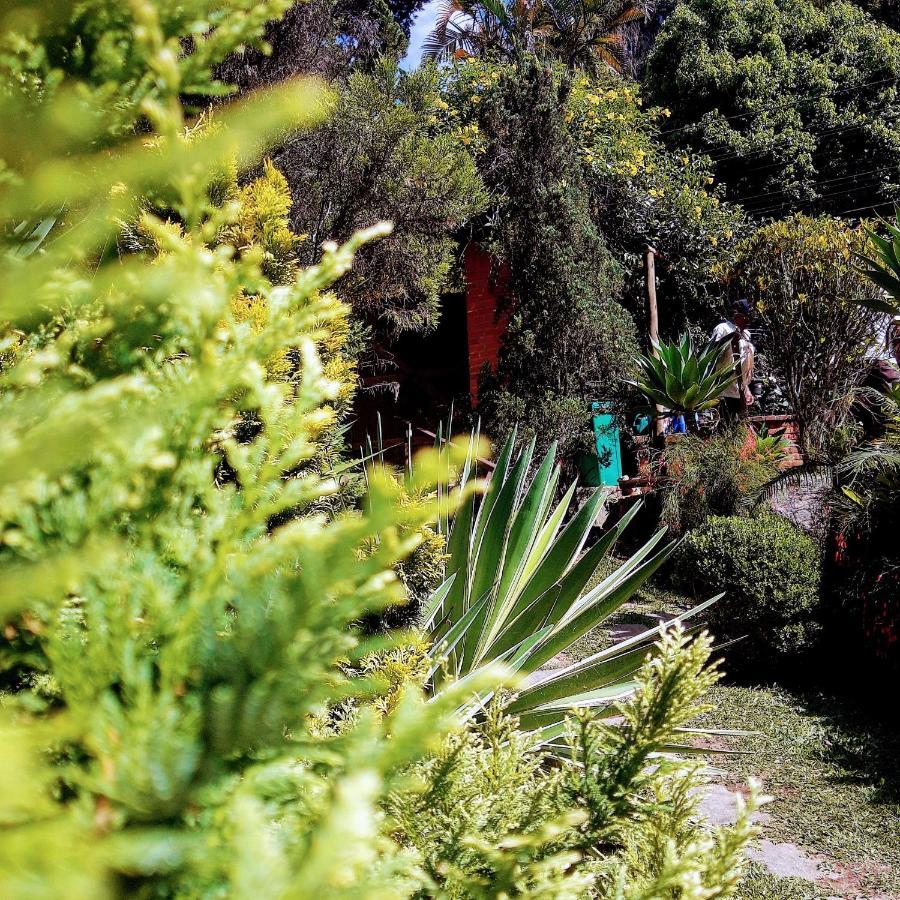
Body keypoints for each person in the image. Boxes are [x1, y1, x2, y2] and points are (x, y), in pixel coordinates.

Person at [711, 299, 755, 424]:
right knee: (726, 424)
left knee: (740, 425)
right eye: (745, 317)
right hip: (725, 390)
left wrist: (747, 388)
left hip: (740, 390)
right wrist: (729, 339)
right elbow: (712, 354)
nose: (748, 320)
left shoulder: (746, 334)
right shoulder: (722, 328)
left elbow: (746, 364)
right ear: (737, 315)